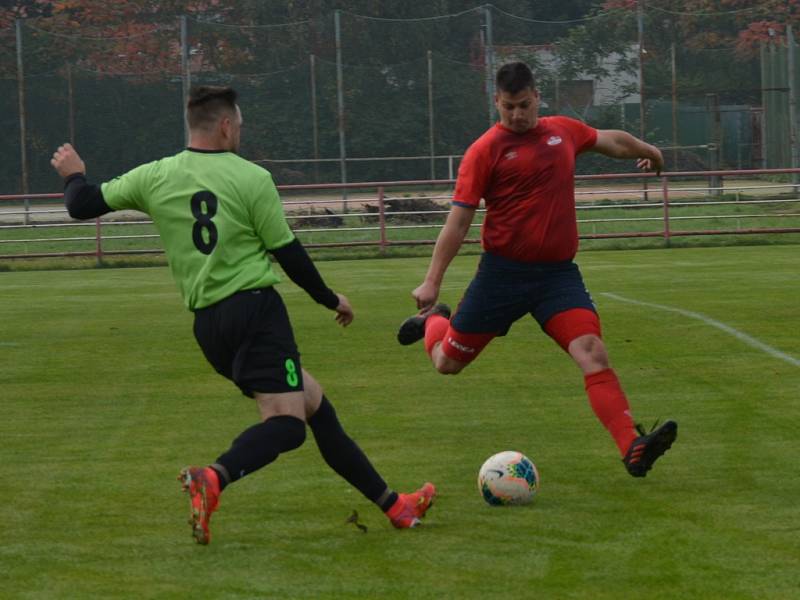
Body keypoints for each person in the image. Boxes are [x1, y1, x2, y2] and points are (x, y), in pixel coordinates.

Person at [51, 85, 435, 545]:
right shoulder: (251, 178)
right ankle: (213, 478)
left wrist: (75, 174)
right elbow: (287, 251)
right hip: (255, 311)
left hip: (209, 327)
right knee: (288, 425)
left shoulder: (155, 175)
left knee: (315, 406)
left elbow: (81, 204)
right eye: (241, 126)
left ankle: (395, 506)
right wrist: (330, 298)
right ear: (227, 126)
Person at [398, 62, 677, 477]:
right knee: (446, 364)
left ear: (536, 97)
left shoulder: (561, 131)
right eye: (508, 106)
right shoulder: (484, 152)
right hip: (501, 277)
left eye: (524, 105)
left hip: (556, 277)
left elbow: (610, 141)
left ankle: (632, 446)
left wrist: (649, 151)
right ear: (496, 101)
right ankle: (435, 322)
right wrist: (432, 281)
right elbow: (458, 222)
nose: (516, 115)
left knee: (593, 353)